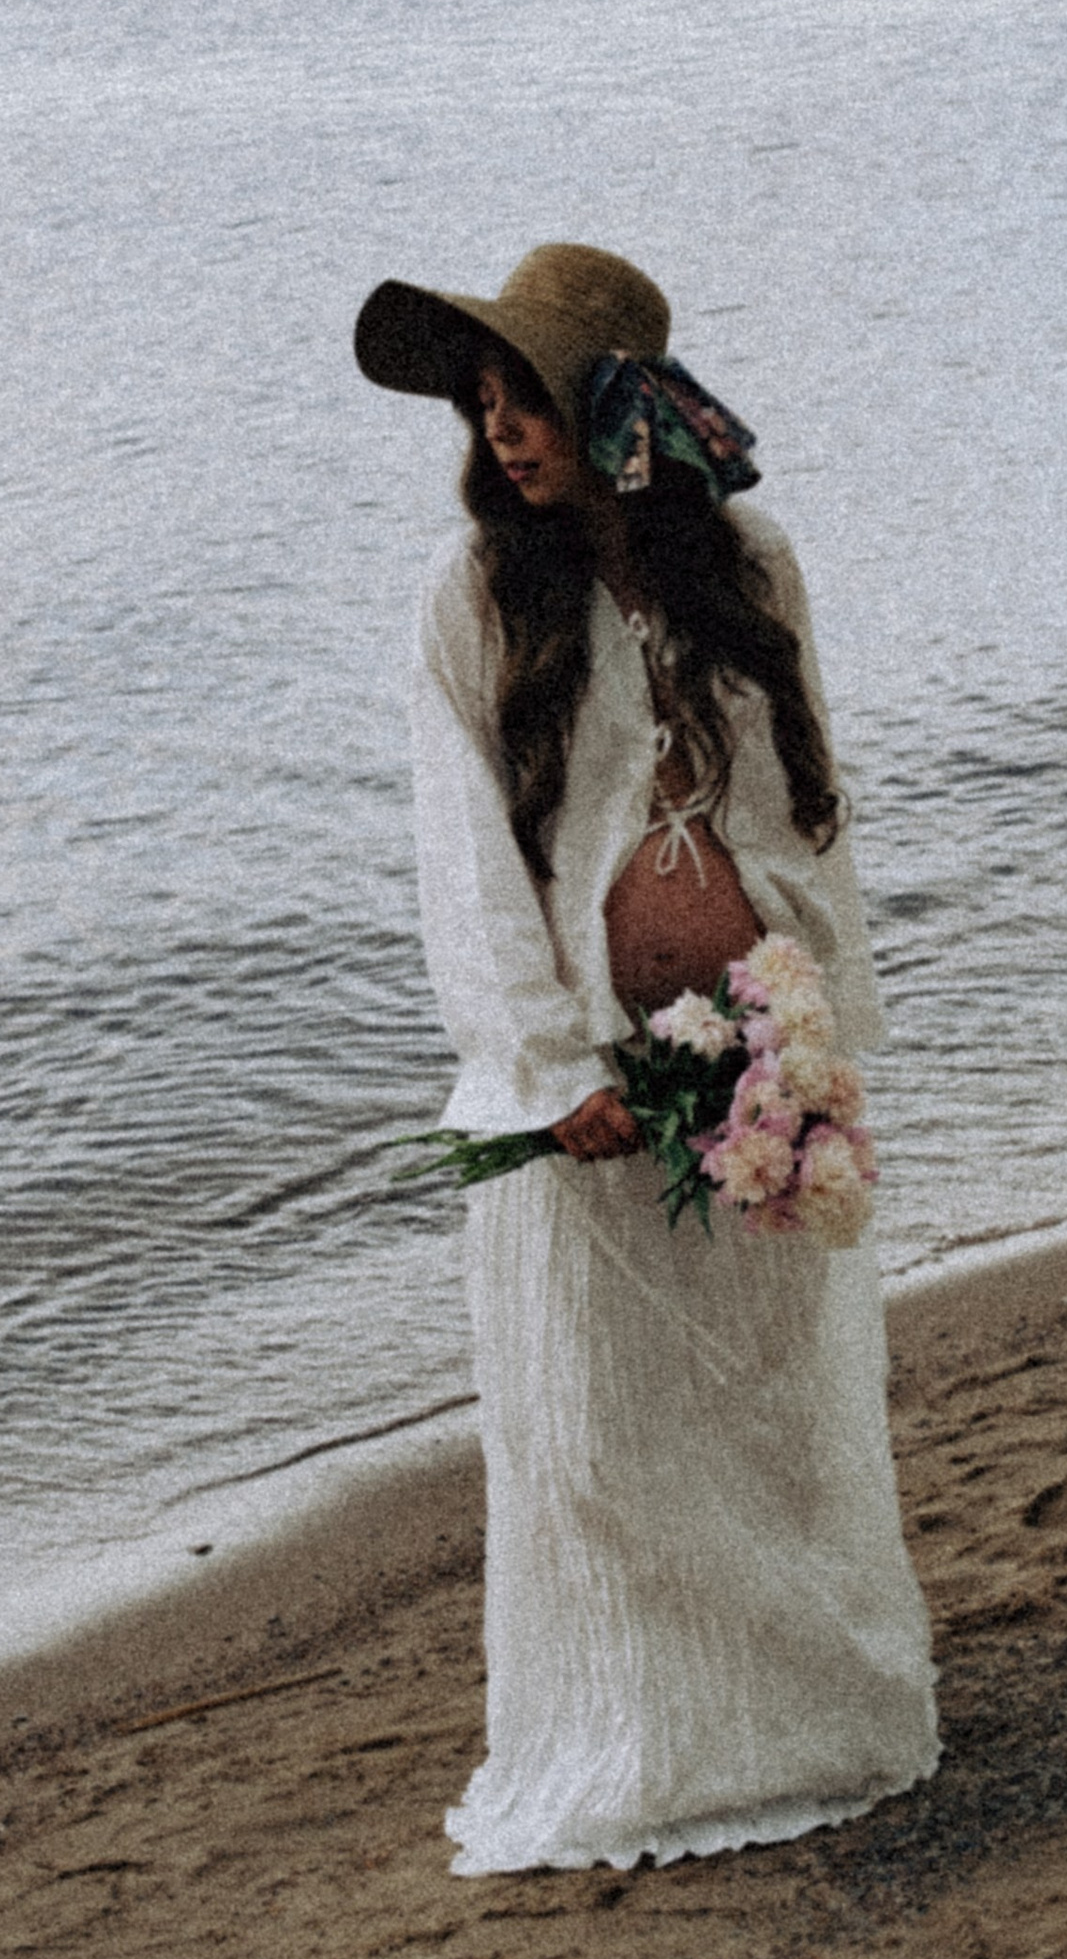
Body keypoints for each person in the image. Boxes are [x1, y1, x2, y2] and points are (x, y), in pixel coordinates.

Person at [355, 241, 939, 1874]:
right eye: (481, 404)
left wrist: (814, 1031)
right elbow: (461, 854)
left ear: (615, 410)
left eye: (523, 394)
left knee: (771, 1405)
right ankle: (637, 1750)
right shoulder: (473, 600)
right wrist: (546, 1069)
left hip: (758, 1052)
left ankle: (815, 1722)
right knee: (595, 1436)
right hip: (587, 1087)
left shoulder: (745, 561)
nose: (498, 429)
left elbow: (806, 804)